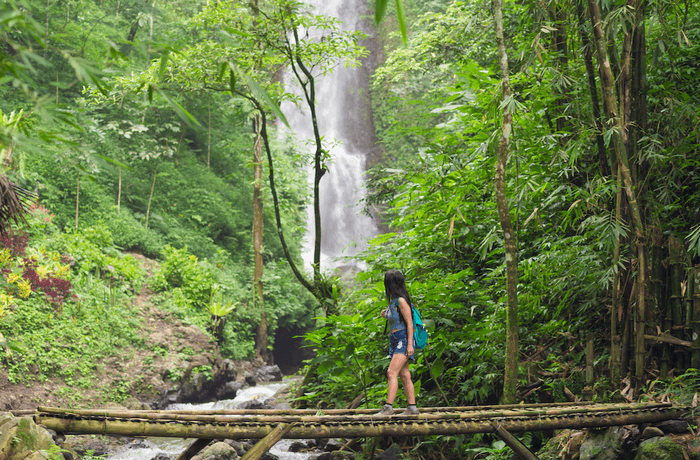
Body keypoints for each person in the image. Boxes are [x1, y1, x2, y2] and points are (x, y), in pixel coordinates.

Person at [375, 269, 419, 415]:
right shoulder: (393, 301)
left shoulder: (401, 300)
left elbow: (410, 323)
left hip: (403, 339)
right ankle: (412, 408)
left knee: (391, 372)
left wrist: (409, 344)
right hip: (394, 340)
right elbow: (396, 319)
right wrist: (386, 315)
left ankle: (388, 407)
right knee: (404, 373)